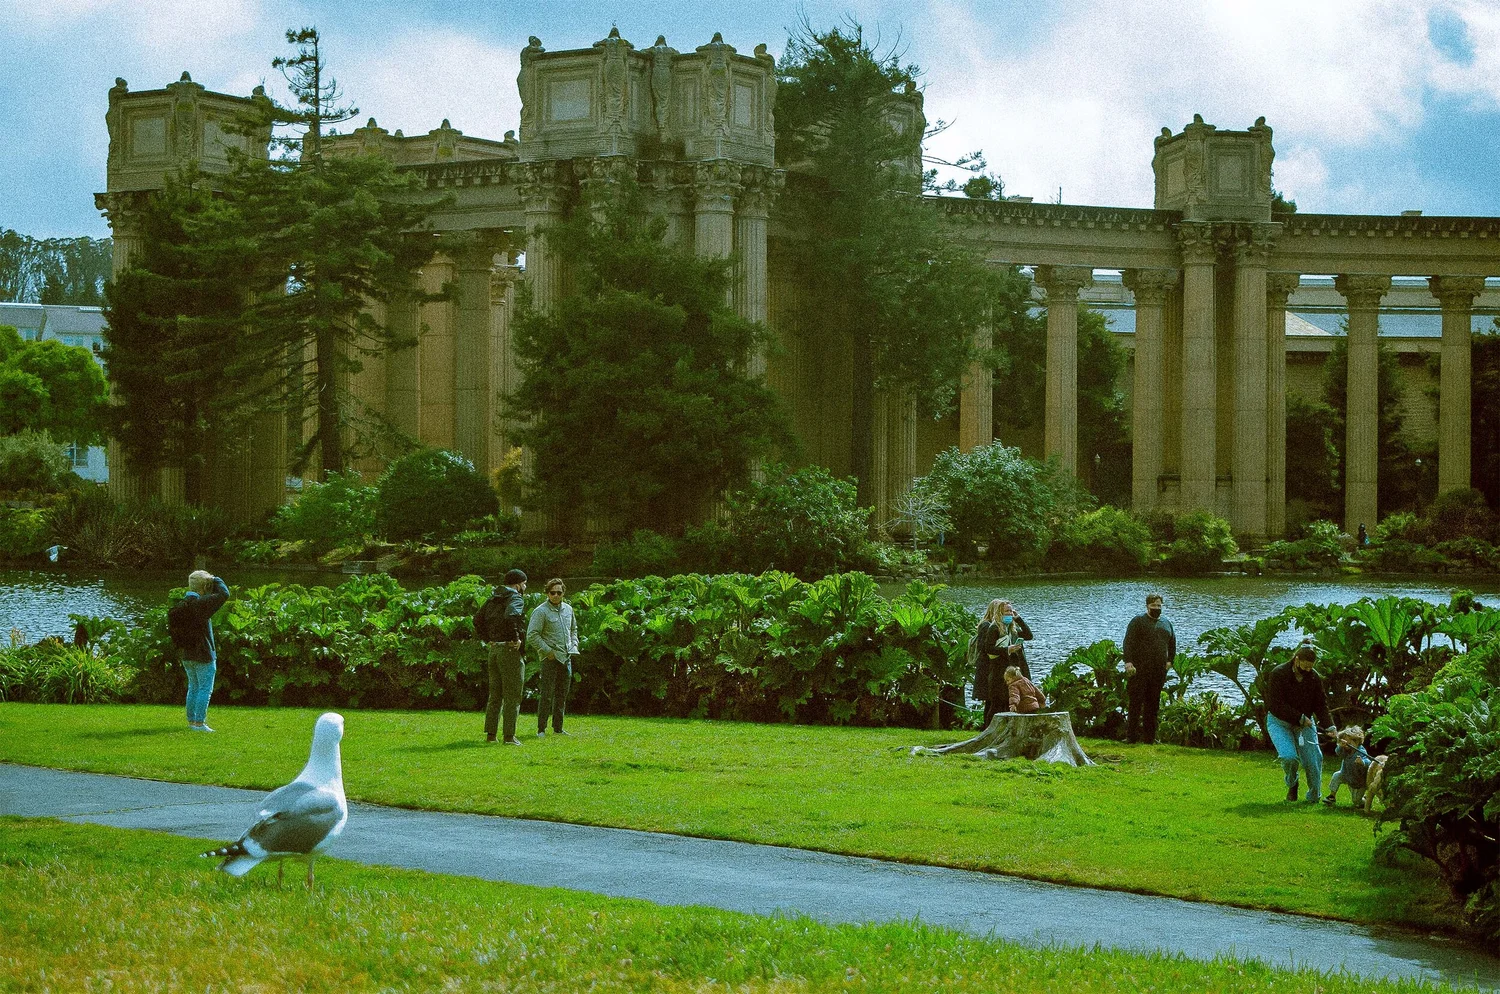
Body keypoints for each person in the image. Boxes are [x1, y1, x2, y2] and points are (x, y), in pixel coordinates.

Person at [1264, 644, 1336, 803]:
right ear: (1297, 660)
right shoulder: (1278, 674)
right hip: (1279, 722)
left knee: (1313, 759)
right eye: (1305, 667)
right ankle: (1292, 783)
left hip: (1304, 725)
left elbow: (1320, 704)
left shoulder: (1314, 677)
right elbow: (1276, 705)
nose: (1308, 670)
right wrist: (1300, 717)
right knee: (1289, 757)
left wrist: (1329, 726)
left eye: (1311, 667)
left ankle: (1314, 797)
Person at [174, 570, 230, 732]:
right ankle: (199, 723)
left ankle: (192, 721)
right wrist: (215, 578)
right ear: (205, 586)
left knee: (193, 687)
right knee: (205, 688)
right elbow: (224, 594)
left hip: (186, 653)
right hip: (203, 653)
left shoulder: (182, 604)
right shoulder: (202, 604)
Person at [479, 569, 529, 745]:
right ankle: (509, 736)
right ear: (517, 584)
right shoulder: (515, 598)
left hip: (494, 650)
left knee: (495, 695)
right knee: (512, 695)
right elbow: (511, 616)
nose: (525, 587)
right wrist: (516, 639)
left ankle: (491, 735)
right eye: (524, 584)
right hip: (509, 650)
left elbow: (477, 620)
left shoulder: (492, 598)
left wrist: (488, 639)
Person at [527, 577, 579, 737]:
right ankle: (541, 729)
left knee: (562, 694)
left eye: (559, 592)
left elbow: (573, 629)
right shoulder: (540, 611)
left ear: (563, 593)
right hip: (549, 658)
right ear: (547, 593)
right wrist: (547, 651)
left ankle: (558, 728)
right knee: (546, 695)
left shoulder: (569, 609)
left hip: (566, 657)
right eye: (552, 592)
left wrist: (574, 644)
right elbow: (532, 635)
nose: (556, 595)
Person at [1122, 592, 1176, 744]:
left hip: (1158, 670)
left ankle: (1149, 738)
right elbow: (1128, 642)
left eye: (1159, 605)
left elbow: (1172, 643)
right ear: (1147, 606)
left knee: (1153, 704)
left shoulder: (1166, 623)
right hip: (1139, 669)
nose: (1156, 608)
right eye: (1153, 605)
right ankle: (1131, 737)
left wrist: (1170, 661)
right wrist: (1128, 662)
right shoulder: (1137, 621)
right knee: (1136, 703)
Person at [974, 599, 1034, 727]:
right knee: (994, 702)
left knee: (1006, 700)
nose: (1010, 614)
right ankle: (988, 729)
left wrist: (1018, 619)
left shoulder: (1010, 628)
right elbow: (987, 649)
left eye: (1011, 611)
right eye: (1007, 611)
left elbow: (1028, 635)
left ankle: (1006, 727)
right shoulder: (991, 627)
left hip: (1009, 668)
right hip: (996, 668)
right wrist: (1007, 650)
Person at [1324, 725, 1371, 807]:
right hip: (1346, 774)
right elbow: (1338, 753)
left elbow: (1368, 762)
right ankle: (1332, 796)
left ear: (1357, 742)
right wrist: (1340, 746)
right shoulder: (1345, 750)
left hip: (1358, 781)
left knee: (1356, 801)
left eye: (1348, 743)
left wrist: (1362, 762)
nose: (1346, 746)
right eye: (1345, 743)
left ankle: (1365, 801)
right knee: (1336, 776)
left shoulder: (1360, 751)